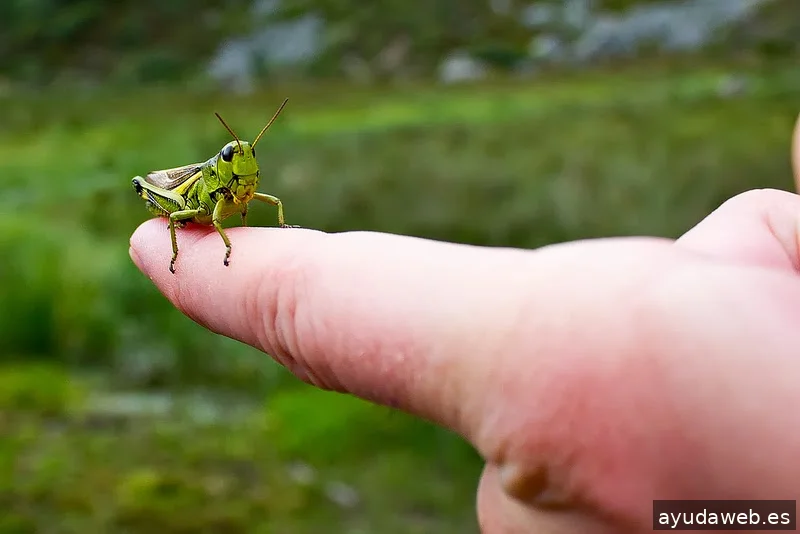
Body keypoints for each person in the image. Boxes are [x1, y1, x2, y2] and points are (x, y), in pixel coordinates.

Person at [128, 117, 800, 533]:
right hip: (178, 206)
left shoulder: (248, 183)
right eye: (233, 162)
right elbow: (210, 213)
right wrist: (206, 241)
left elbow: (251, 203)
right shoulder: (206, 187)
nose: (242, 172)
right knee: (167, 210)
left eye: (245, 162)